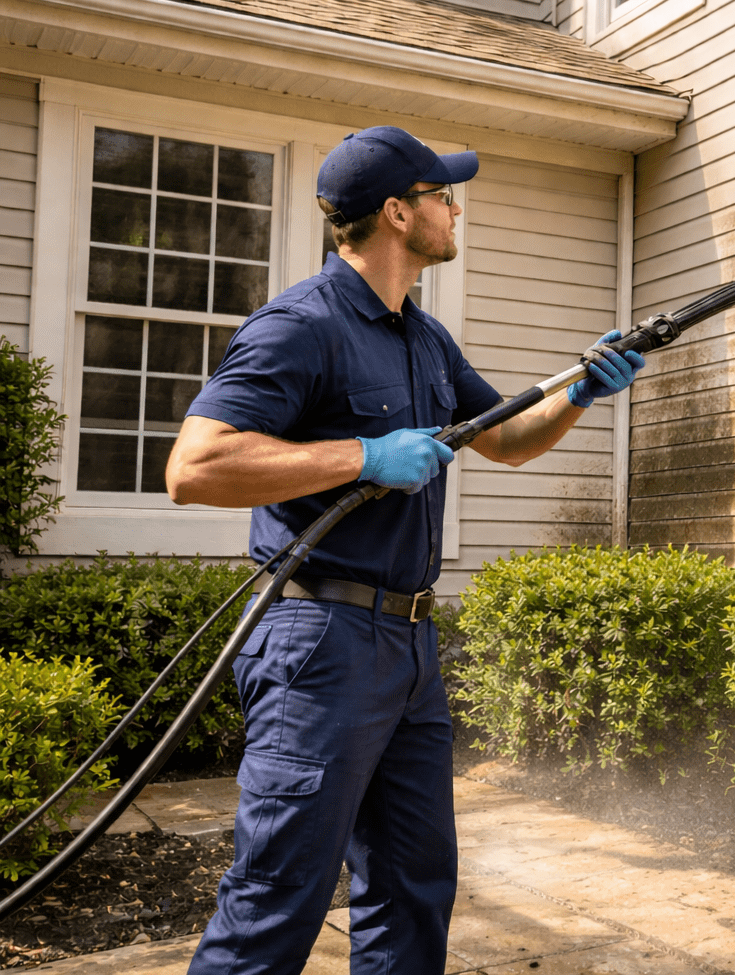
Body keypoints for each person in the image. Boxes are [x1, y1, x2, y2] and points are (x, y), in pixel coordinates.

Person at [164, 125, 644, 975]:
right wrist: (363, 455)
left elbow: (508, 440)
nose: (456, 209)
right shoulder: (301, 327)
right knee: (280, 895)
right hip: (321, 644)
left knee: (412, 885)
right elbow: (195, 468)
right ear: (395, 213)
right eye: (441, 195)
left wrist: (584, 385)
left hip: (410, 648)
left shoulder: (422, 336)